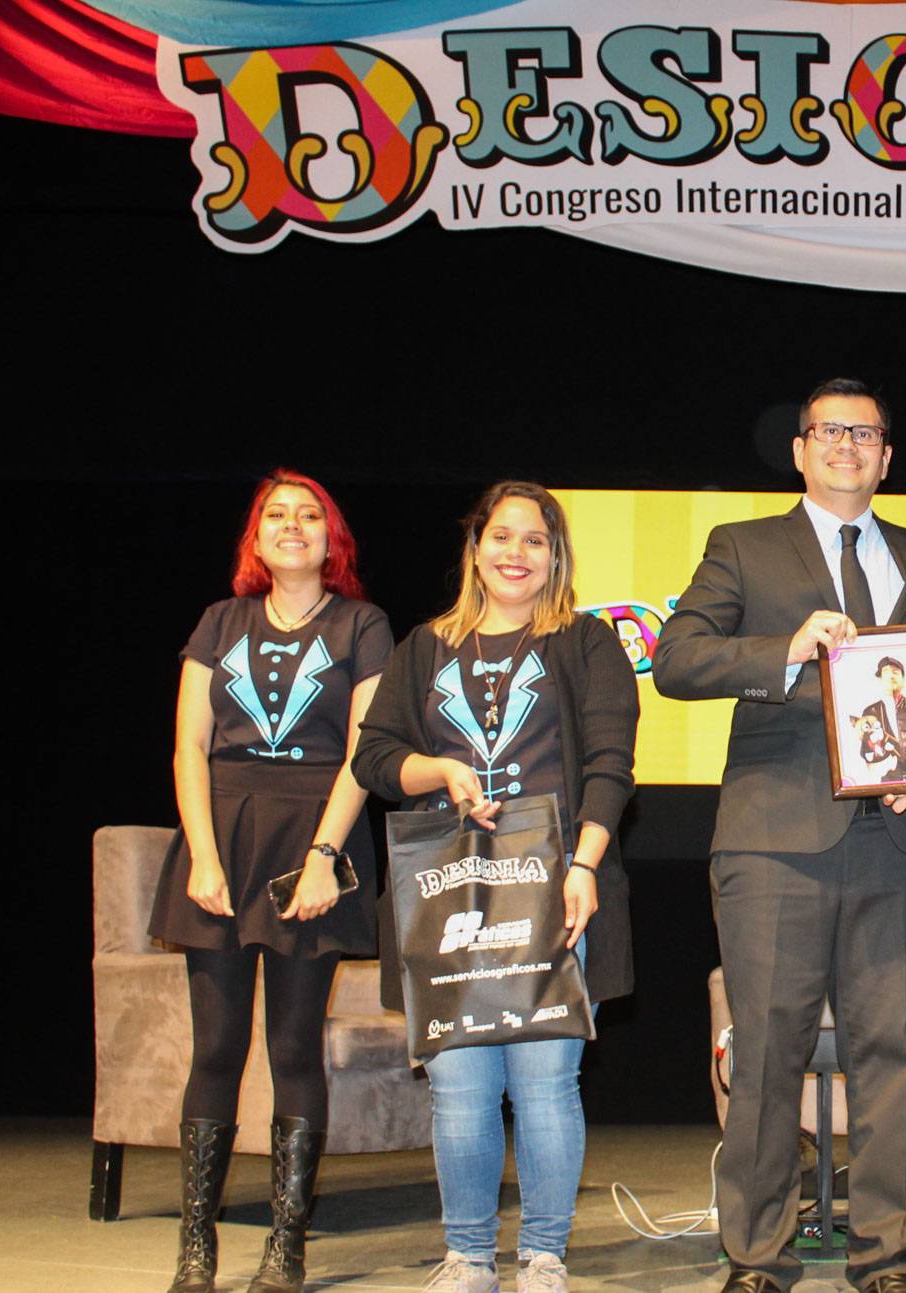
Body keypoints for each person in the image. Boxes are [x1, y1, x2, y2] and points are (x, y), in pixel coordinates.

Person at [652, 378, 906, 1293]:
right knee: (766, 1055)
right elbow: (675, 658)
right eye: (829, 430)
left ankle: (887, 1257)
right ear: (799, 450)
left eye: (865, 434)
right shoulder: (743, 546)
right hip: (774, 841)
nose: (846, 445)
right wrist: (786, 650)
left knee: (887, 1056)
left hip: (899, 845)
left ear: (887, 457)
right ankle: (757, 1255)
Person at [351, 481, 637, 1293]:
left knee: (546, 1084)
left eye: (535, 539)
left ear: (556, 556)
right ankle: (468, 1257)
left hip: (554, 885)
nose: (517, 552)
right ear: (475, 549)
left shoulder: (586, 642)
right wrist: (437, 769)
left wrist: (585, 865)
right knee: (460, 1089)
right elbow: (374, 757)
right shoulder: (424, 648)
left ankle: (543, 1255)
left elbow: (611, 765)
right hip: (448, 890)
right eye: (501, 536)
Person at [150, 469, 392, 1293]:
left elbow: (364, 751)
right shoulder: (220, 620)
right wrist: (203, 853)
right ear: (256, 537)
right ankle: (196, 1248)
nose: (293, 525)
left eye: (310, 515)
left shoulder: (362, 624)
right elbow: (189, 746)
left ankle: (286, 1246)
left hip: (311, 839)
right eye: (277, 515)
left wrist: (325, 856)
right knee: (216, 1046)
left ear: (332, 538)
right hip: (223, 837)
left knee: (293, 1046)